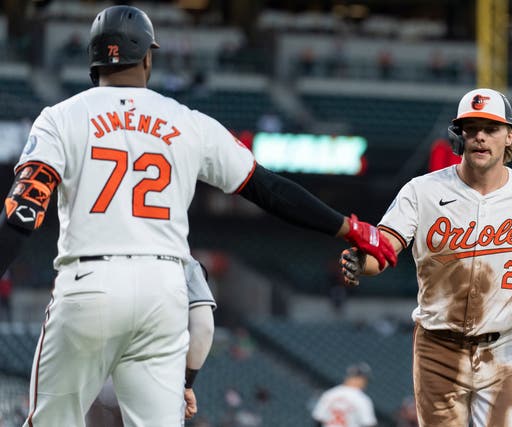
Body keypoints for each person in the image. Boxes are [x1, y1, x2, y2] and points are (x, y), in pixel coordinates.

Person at [0, 6, 396, 425]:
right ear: (148, 58)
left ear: (93, 60)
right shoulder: (187, 122)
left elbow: (22, 212)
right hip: (164, 290)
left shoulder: (61, 118)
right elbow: (269, 190)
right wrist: (347, 227)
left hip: (89, 282)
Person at [340, 88, 512, 427]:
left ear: (509, 136)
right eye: (470, 127)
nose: (479, 136)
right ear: (459, 136)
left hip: (502, 347)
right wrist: (363, 260)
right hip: (437, 349)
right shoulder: (422, 191)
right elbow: (384, 247)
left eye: (490, 129)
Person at [85, 257, 215, 426]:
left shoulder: (101, 253)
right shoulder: (182, 259)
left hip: (97, 379)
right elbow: (204, 328)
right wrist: (188, 384)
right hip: (156, 379)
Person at [312, 362, 377, 427]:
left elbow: (318, 419)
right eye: (366, 380)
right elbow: (368, 424)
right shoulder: (362, 399)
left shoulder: (330, 394)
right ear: (361, 379)